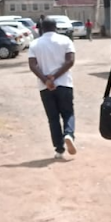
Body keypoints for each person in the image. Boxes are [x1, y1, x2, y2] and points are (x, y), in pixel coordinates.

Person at [27, 17, 77, 159]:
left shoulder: (35, 44)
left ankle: (59, 149)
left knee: (53, 118)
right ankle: (68, 134)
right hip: (64, 84)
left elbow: (32, 65)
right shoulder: (65, 41)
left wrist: (46, 80)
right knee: (68, 113)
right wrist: (55, 76)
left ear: (41, 28)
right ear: (56, 27)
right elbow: (70, 61)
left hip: (45, 87)